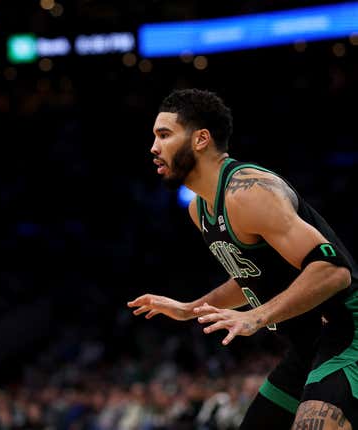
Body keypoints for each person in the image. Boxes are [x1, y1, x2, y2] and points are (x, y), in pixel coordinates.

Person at [127, 89, 358, 429]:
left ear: (201, 139)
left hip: (348, 332)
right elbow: (252, 276)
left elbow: (334, 271)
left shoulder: (249, 191)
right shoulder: (199, 209)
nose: (154, 147)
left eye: (164, 135)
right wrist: (189, 309)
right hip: (308, 346)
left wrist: (257, 316)